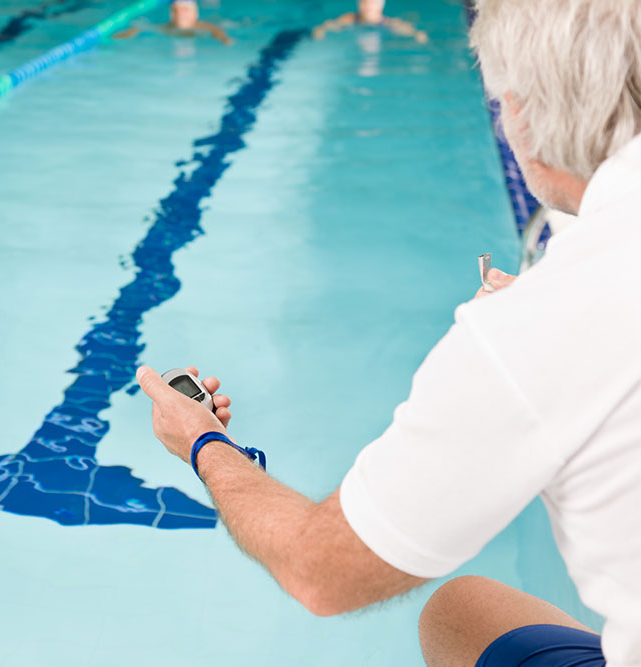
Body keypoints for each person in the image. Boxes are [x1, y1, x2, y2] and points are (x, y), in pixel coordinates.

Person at [136, 0, 641, 665]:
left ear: (524, 114)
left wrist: (202, 440)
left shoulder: (535, 328)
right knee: (466, 612)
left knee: (455, 611)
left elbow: (319, 569)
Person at [113, 0, 234, 46]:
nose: (181, 13)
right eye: (176, 10)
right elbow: (141, 28)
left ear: (195, 14)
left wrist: (224, 39)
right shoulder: (166, 27)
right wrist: (128, 33)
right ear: (171, 15)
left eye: (185, 9)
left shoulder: (204, 26)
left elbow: (217, 31)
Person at [312, 0, 428, 43]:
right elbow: (329, 25)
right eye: (365, 3)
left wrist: (417, 35)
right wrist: (320, 30)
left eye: (372, 3)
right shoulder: (350, 18)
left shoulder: (388, 23)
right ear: (359, 5)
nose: (368, 7)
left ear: (380, 6)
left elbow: (409, 30)